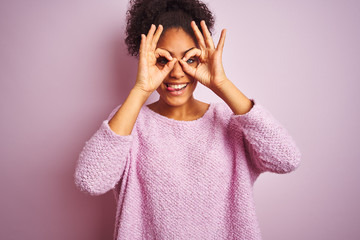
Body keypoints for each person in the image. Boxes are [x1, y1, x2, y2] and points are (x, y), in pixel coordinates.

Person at [74, 0, 301, 239]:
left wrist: (222, 84)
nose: (176, 72)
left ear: (202, 60)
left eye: (189, 59)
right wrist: (140, 89)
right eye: (163, 59)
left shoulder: (230, 122)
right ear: (146, 60)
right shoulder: (130, 122)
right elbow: (91, 181)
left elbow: (286, 160)